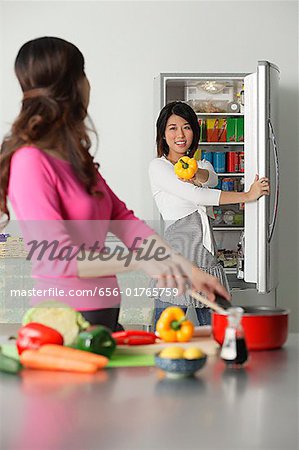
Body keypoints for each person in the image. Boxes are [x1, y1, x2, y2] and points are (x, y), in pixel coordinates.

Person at [0, 37, 230, 331]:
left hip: (104, 318)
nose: (88, 85)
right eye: (83, 74)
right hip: (64, 325)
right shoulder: (30, 162)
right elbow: (55, 258)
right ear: (71, 85)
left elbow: (124, 221)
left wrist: (184, 268)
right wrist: (142, 261)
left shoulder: (75, 158)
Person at [149, 101, 270, 327]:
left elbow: (211, 179)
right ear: (163, 135)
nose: (180, 134)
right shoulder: (158, 167)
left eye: (186, 126)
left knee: (220, 333)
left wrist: (195, 172)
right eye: (172, 128)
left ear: (194, 131)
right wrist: (247, 195)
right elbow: (199, 196)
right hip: (178, 260)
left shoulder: (203, 164)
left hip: (206, 257)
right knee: (164, 334)